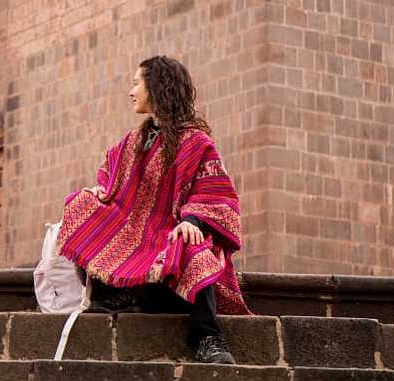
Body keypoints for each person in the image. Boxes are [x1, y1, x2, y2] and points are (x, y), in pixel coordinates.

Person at [56, 55, 251, 364]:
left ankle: (208, 337)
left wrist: (192, 220)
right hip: (135, 240)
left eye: (136, 83)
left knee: (194, 247)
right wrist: (100, 192)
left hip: (168, 243)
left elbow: (218, 194)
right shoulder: (134, 141)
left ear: (157, 87)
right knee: (81, 204)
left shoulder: (196, 143)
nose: (131, 91)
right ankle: (117, 294)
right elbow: (110, 176)